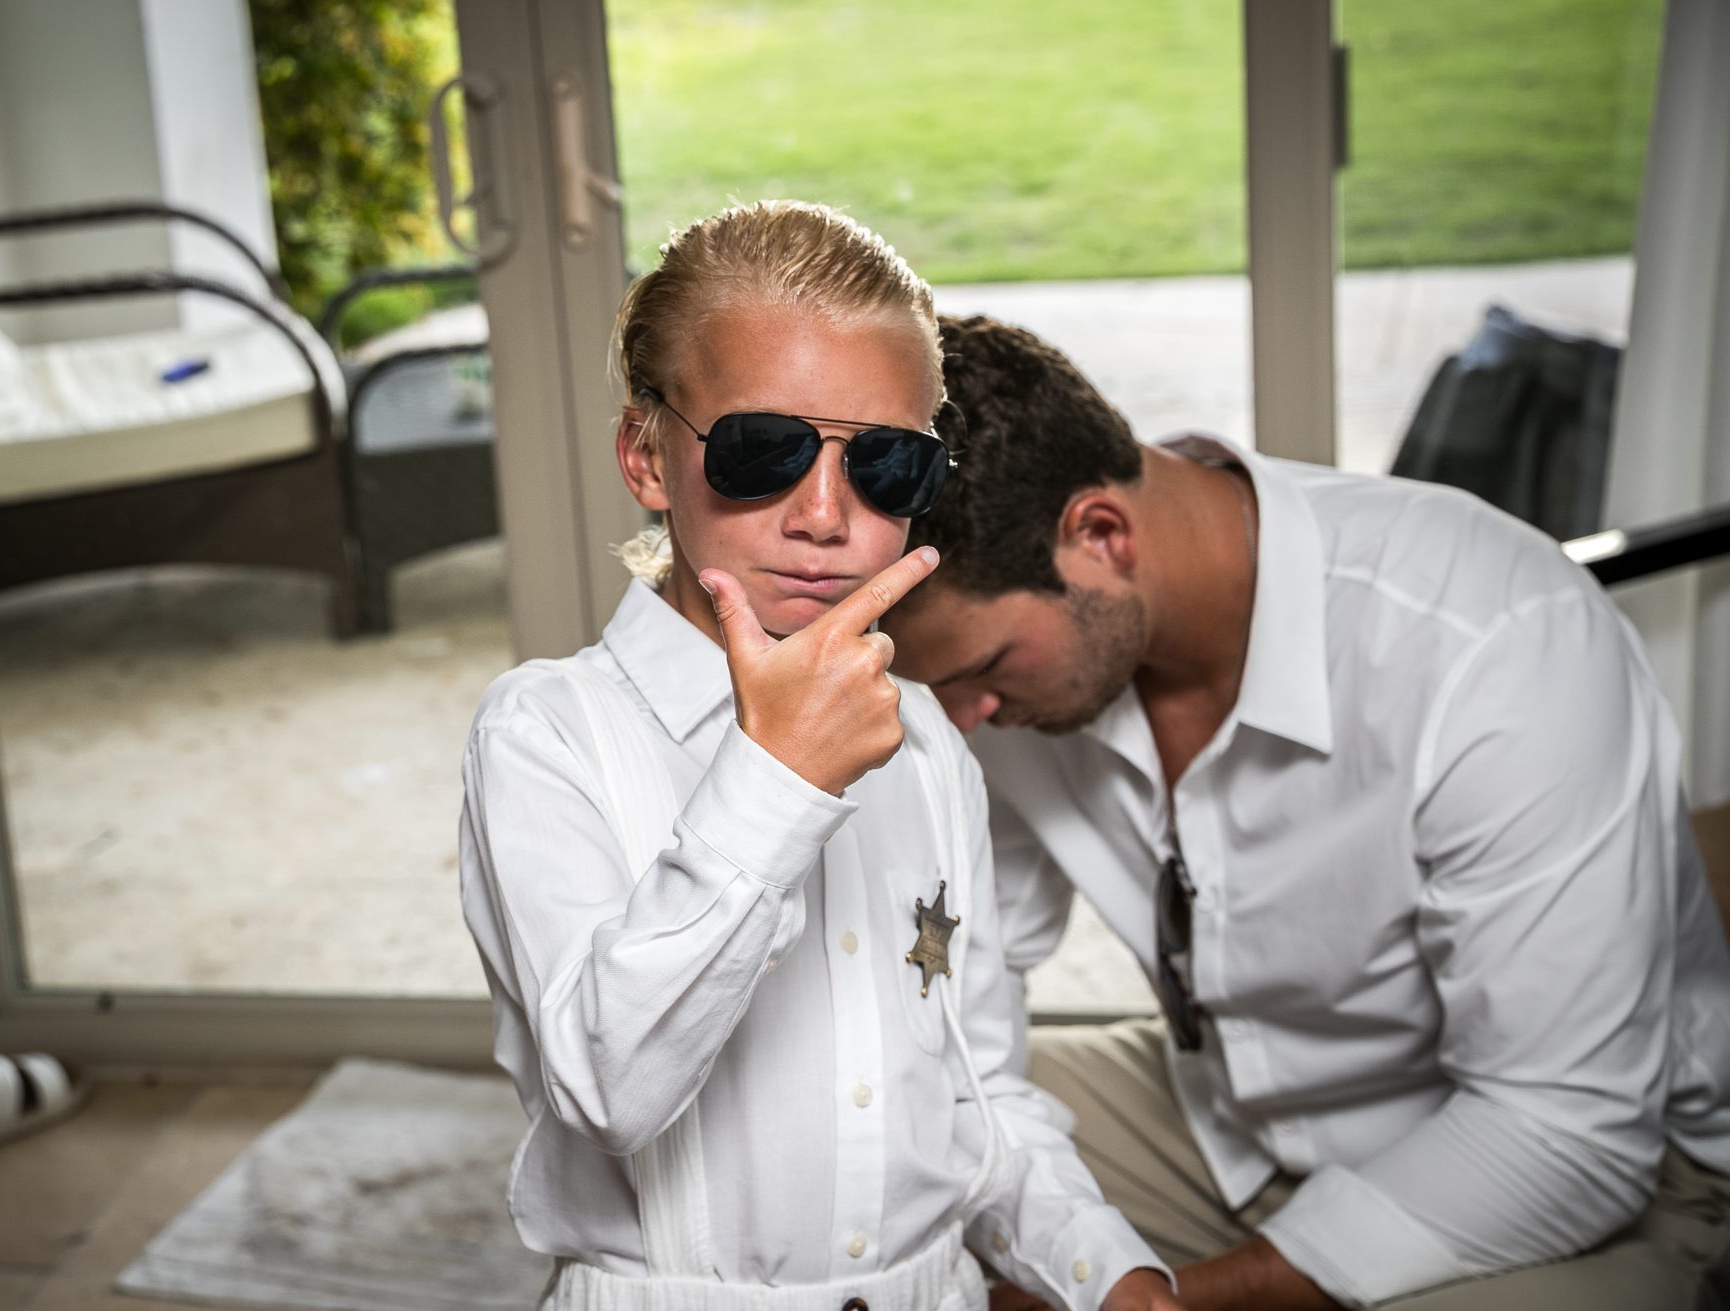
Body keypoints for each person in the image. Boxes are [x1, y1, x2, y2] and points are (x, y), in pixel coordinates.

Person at [879, 313, 1730, 1310]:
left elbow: (1569, 1136)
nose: (962, 721)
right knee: (878, 1145)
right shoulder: (1006, 672)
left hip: (1582, 1173)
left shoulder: (1497, 643)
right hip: (1226, 1122)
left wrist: (1138, 1296)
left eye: (983, 669)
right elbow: (960, 996)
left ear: (1101, 535)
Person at [459, 204, 1179, 1311]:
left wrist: (1110, 1274)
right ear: (647, 456)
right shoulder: (545, 734)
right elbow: (607, 1089)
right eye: (764, 450)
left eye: (888, 464)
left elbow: (978, 1093)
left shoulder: (926, 743)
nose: (826, 515)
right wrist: (778, 780)